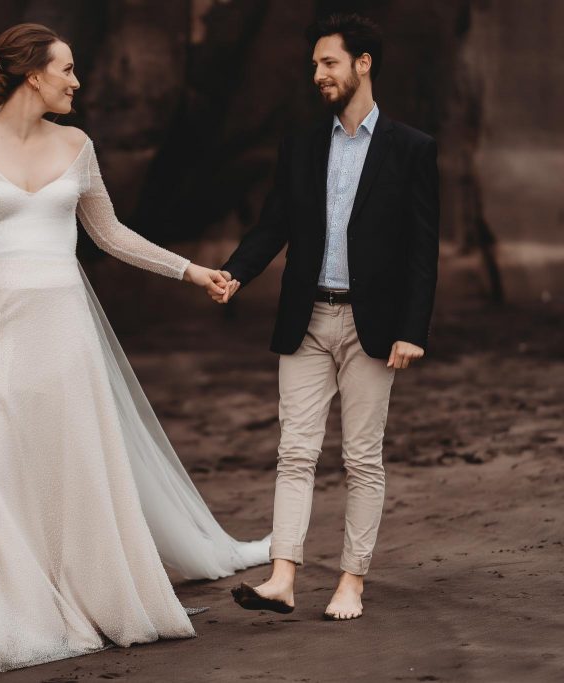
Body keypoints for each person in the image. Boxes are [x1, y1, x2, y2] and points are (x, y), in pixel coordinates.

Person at [0, 22, 269, 673]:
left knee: (64, 466)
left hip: (63, 328)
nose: (77, 82)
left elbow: (109, 234)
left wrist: (190, 270)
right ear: (31, 74)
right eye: (68, 70)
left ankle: (66, 601)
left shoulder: (77, 145)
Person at [218, 13, 439, 621]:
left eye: (329, 63)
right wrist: (234, 273)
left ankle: (351, 582)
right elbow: (273, 226)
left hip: (374, 327)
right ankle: (282, 576)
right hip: (306, 319)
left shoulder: (412, 149)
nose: (318, 75)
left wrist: (411, 330)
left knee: (362, 458)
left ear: (362, 64)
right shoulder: (301, 147)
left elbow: (424, 248)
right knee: (295, 451)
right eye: (315, 65)